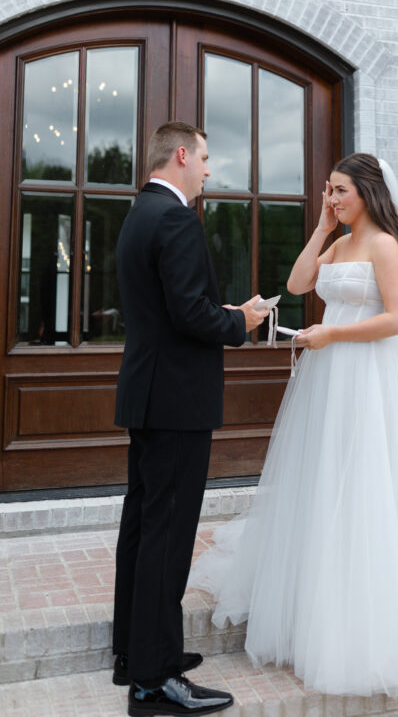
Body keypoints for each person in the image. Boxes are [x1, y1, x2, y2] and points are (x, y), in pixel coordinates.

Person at [190, 153, 398, 714]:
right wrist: (321, 227)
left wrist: (333, 336)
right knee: (326, 481)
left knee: (368, 484)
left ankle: (371, 625)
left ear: (367, 192)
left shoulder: (386, 246)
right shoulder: (340, 244)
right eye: (328, 190)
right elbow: (298, 282)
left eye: (339, 191)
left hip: (371, 377)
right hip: (330, 380)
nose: (332, 198)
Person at [112, 121, 267, 717]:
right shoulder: (174, 218)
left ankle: (136, 651)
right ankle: (153, 683)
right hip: (176, 402)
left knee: (143, 529)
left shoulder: (140, 214)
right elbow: (188, 315)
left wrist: (215, 310)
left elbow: (168, 305)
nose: (207, 169)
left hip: (150, 396)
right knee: (168, 539)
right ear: (181, 154)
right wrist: (240, 322)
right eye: (204, 158)